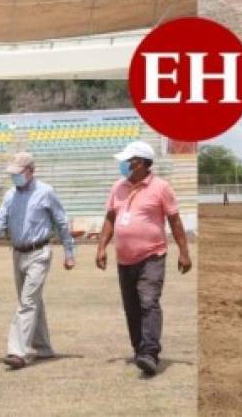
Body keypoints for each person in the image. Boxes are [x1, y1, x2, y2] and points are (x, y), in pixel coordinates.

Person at [96, 141, 192, 377]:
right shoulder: (118, 187)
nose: (123, 165)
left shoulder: (161, 188)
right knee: (132, 308)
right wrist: (101, 247)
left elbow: (175, 221)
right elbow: (110, 218)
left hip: (152, 255)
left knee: (148, 302)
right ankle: (140, 349)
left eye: (127, 161)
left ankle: (150, 352)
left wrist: (184, 251)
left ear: (139, 163)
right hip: (124, 259)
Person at [0, 152, 75, 370]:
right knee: (32, 301)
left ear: (31, 171)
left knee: (27, 301)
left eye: (19, 173)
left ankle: (17, 351)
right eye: (13, 174)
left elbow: (61, 222)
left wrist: (69, 252)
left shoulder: (46, 192)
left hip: (39, 253)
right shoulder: (10, 195)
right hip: (18, 253)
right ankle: (43, 347)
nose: (15, 178)